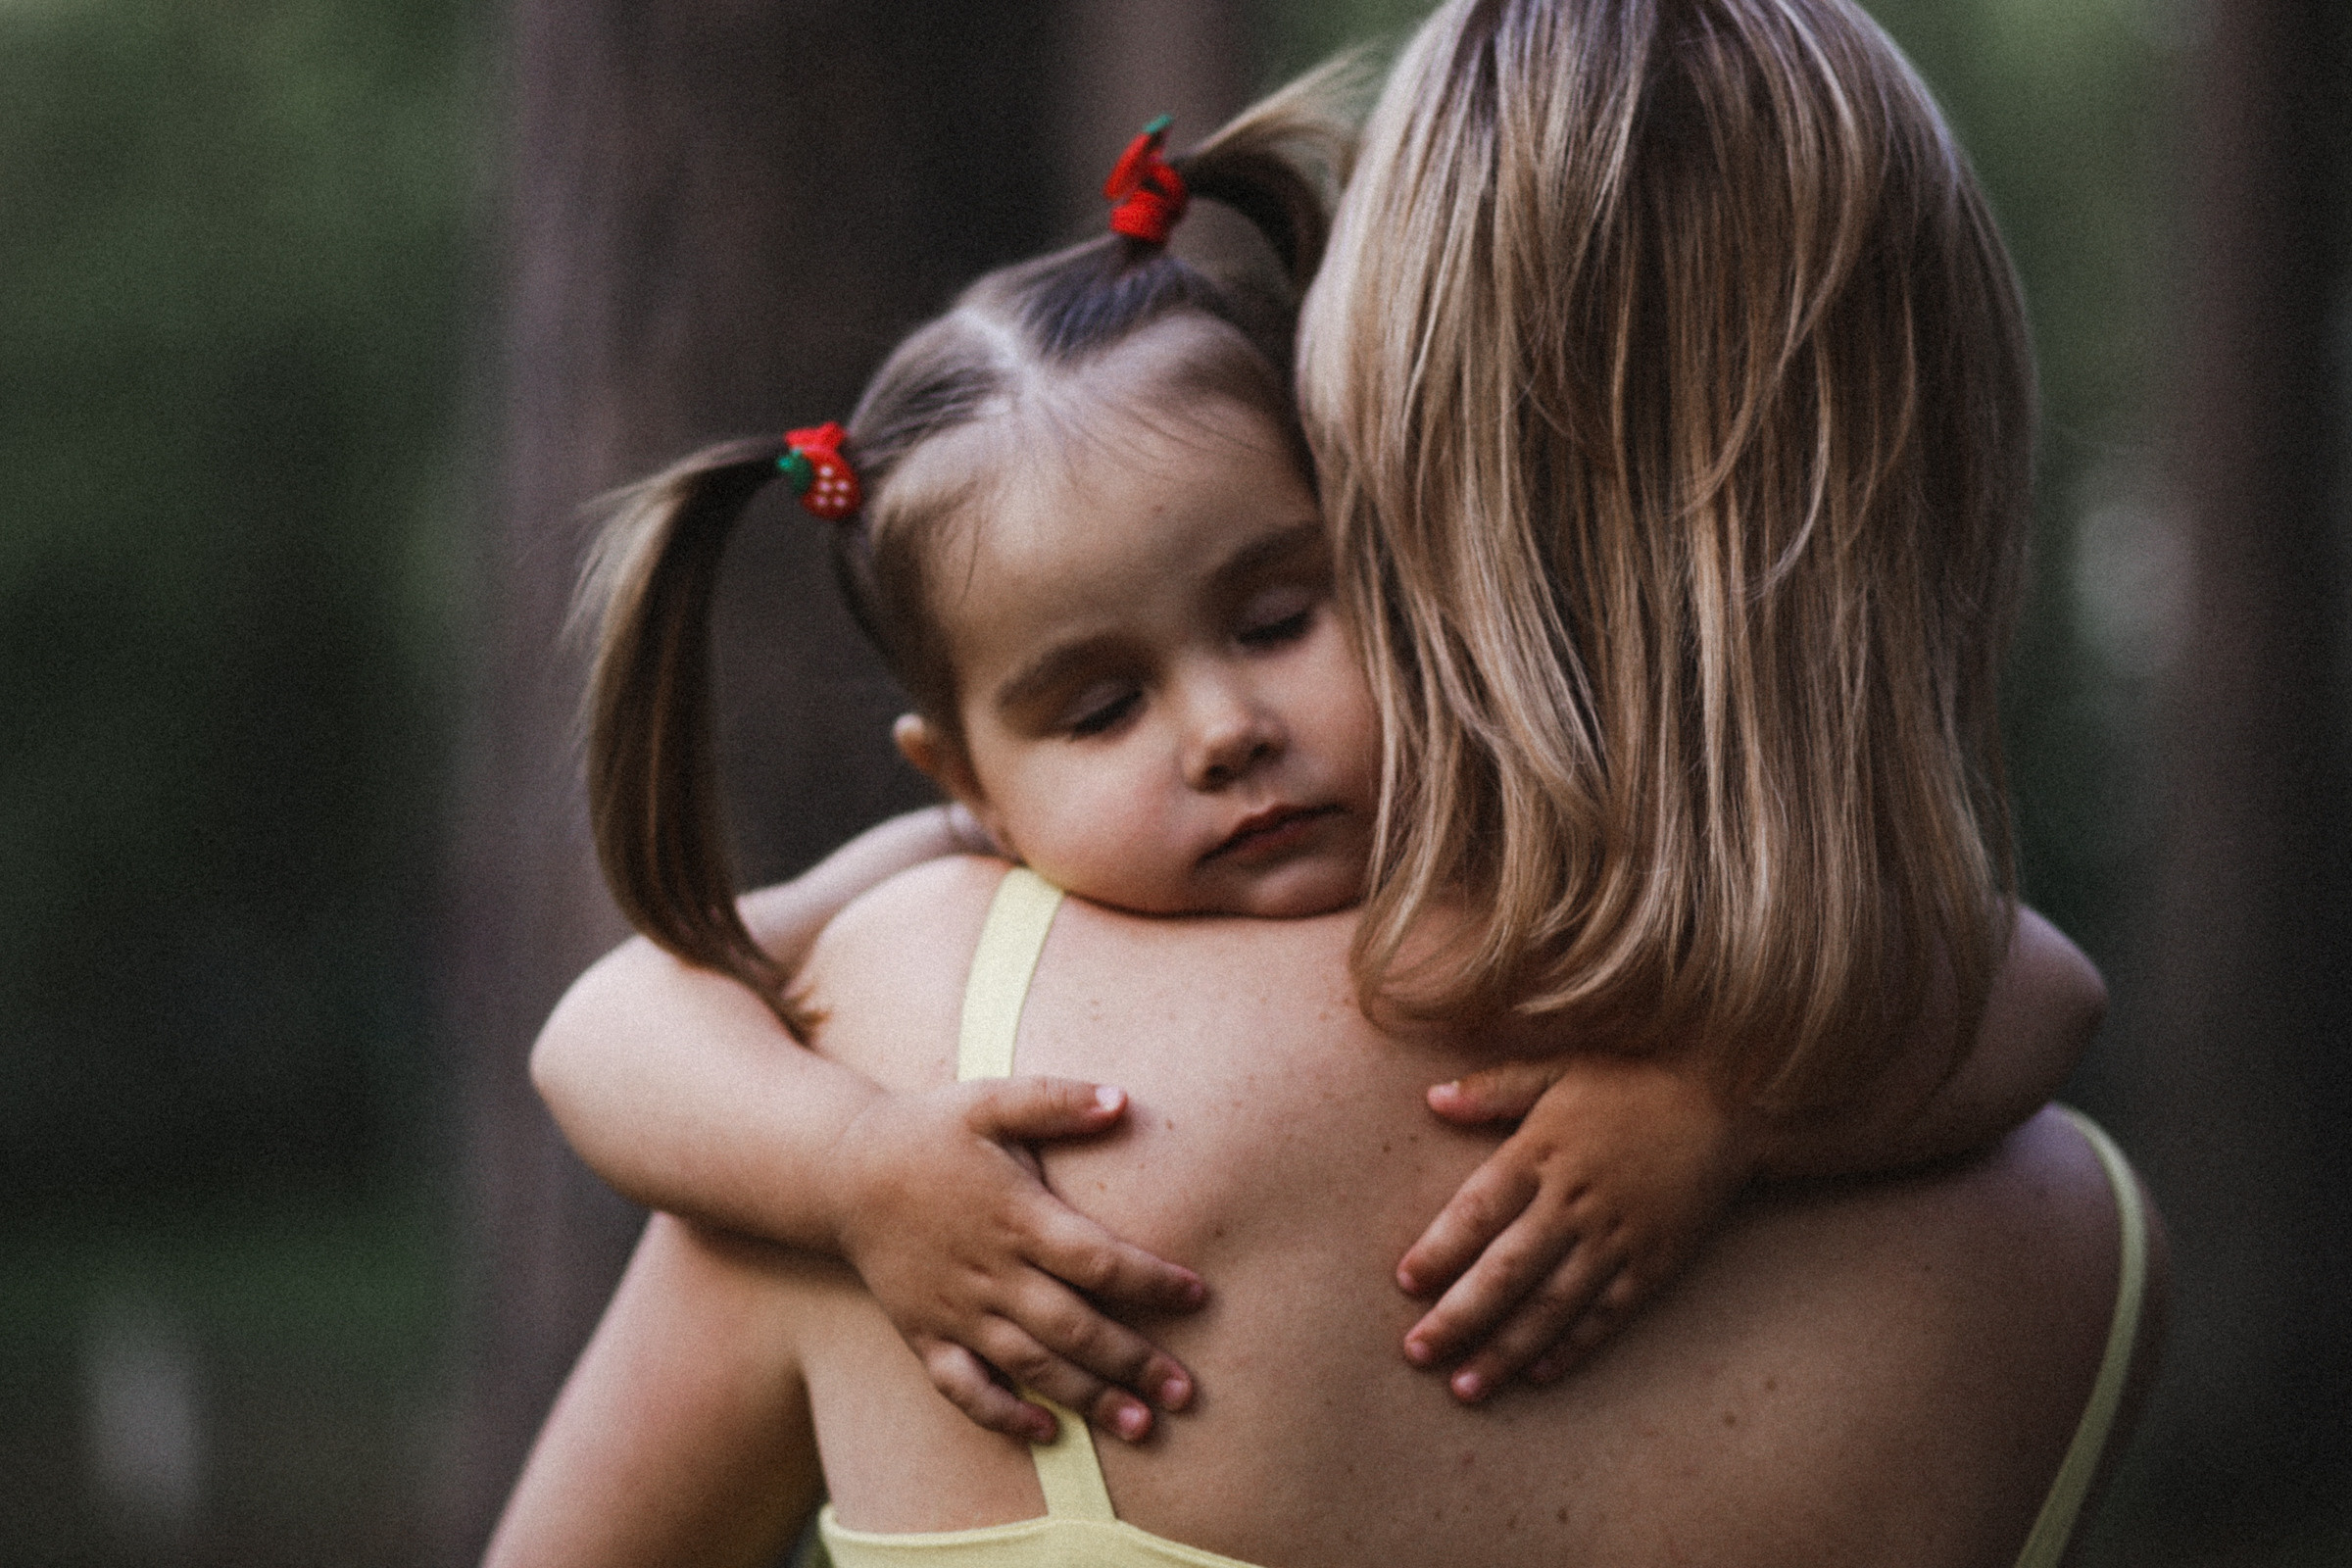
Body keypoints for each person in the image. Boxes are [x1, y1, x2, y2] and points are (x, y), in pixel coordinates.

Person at [496, 1, 2164, 1564]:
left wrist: (1717, 1114)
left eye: (1281, 615)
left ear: (1381, 494)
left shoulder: (915, 1011)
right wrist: (853, 1167)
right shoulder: (2078, 1253)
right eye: (1094, 709)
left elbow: (2029, 981)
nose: (1220, 729)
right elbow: (604, 1021)